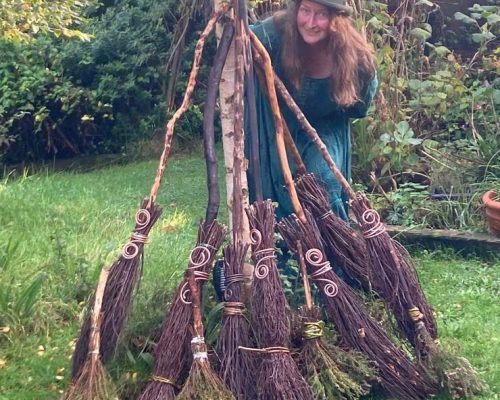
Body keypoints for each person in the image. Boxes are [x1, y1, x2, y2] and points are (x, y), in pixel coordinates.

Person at [246, 0, 378, 220]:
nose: (310, 22)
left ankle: (331, 247)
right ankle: (280, 249)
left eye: (321, 14)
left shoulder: (355, 57)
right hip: (277, 128)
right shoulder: (275, 33)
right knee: (274, 189)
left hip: (325, 130)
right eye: (305, 10)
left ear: (337, 19)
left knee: (324, 180)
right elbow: (242, 39)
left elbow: (360, 107)